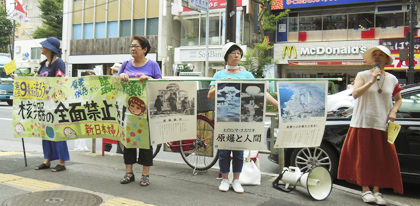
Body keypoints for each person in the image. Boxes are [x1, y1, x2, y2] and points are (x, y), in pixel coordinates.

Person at [207, 42, 279, 193]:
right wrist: (221, 85)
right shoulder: (219, 75)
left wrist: (277, 104)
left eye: (238, 53)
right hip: (224, 117)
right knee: (224, 151)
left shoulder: (247, 75)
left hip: (244, 117)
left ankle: (236, 180)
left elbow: (261, 93)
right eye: (233, 52)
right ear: (226, 56)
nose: (237, 55)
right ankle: (225, 179)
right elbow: (210, 95)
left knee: (239, 151)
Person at [337, 45, 403, 205]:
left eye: (381, 55)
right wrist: (372, 80)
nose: (377, 57)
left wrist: (394, 110)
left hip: (382, 124)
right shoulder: (363, 75)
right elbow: (355, 93)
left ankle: (377, 191)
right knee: (364, 158)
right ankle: (365, 189)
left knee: (380, 159)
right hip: (362, 122)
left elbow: (399, 98)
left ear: (387, 59)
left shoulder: (392, 79)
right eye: (375, 54)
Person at [11, 37, 69, 172]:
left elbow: (62, 80)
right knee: (44, 131)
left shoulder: (59, 63)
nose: (41, 47)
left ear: (50, 49)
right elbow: (34, 80)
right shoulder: (43, 64)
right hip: (43, 104)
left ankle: (62, 162)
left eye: (44, 46)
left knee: (59, 132)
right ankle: (47, 160)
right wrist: (19, 79)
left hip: (55, 104)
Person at [118, 35, 162, 186]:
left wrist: (149, 79)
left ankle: (145, 175)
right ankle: (128, 172)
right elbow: (115, 84)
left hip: (147, 111)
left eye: (136, 46)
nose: (132, 48)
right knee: (128, 141)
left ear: (144, 49)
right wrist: (121, 76)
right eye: (131, 46)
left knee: (145, 142)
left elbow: (159, 85)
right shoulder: (125, 65)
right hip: (128, 110)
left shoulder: (153, 65)